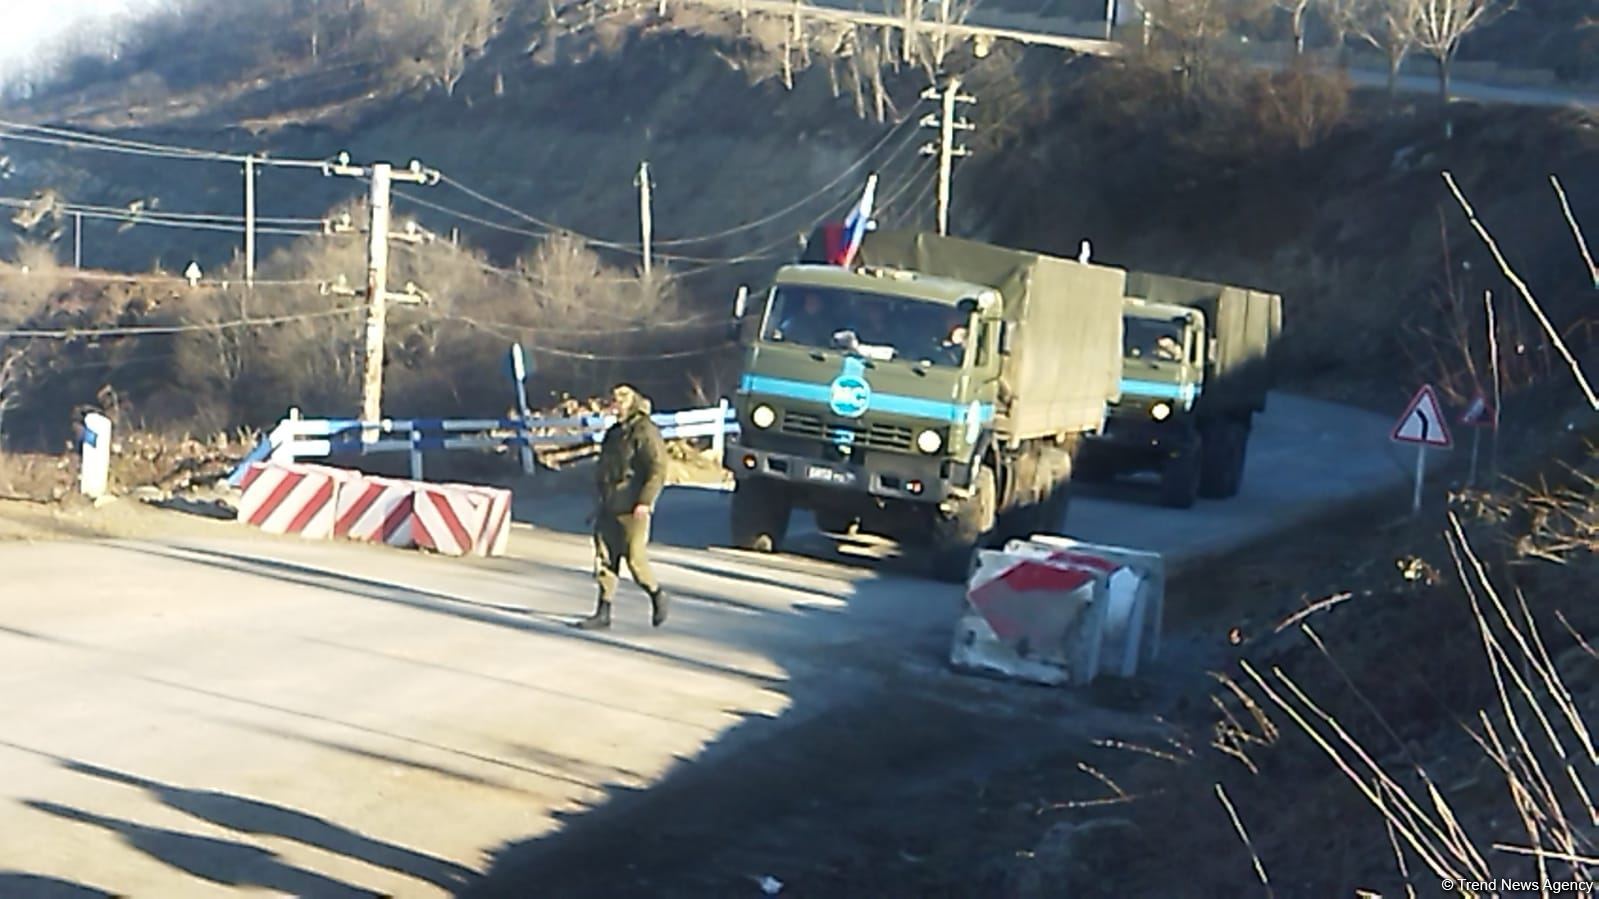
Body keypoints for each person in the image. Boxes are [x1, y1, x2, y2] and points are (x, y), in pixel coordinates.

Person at [577, 384, 670, 630]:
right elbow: (604, 468)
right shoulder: (614, 433)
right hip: (609, 504)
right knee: (605, 559)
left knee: (635, 559)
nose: (613, 407)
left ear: (629, 403)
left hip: (633, 506)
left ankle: (656, 594)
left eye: (618, 402)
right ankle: (603, 611)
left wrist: (645, 501)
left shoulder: (645, 431)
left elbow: (658, 468)